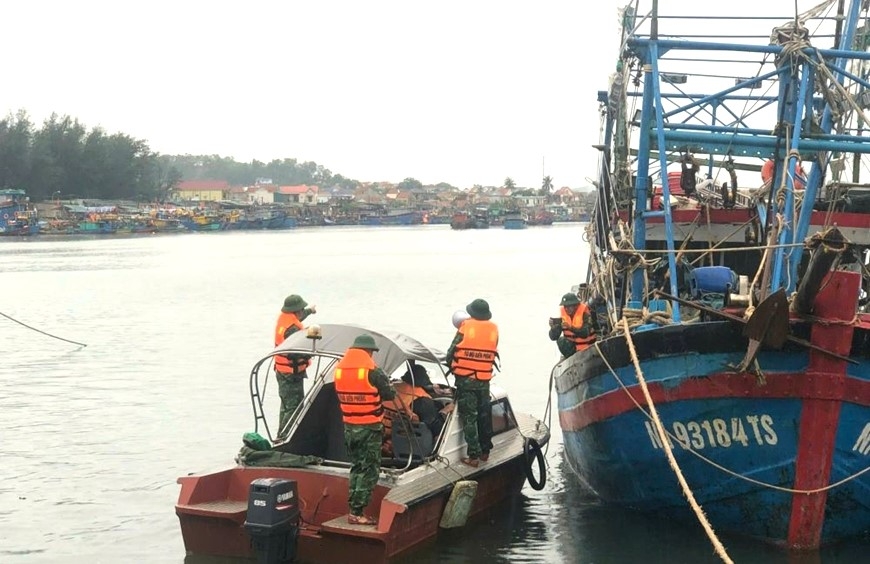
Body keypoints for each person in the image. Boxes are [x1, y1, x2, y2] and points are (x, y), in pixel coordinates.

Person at [334, 333, 396, 526]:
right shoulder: (373, 371)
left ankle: (353, 508)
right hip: (369, 428)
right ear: (369, 351)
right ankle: (357, 513)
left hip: (349, 427)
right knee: (369, 470)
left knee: (357, 467)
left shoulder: (340, 370)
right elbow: (389, 394)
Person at [446, 298, 499, 468]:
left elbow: (451, 352)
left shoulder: (465, 327)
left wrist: (454, 367)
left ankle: (473, 456)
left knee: (469, 418)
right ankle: (485, 452)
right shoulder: (494, 329)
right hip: (484, 380)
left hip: (466, 381)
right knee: (484, 416)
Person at [273, 294, 316, 439]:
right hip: (292, 374)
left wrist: (310, 311)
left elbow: (299, 317)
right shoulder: (292, 329)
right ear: (296, 310)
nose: (302, 311)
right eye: (302, 309)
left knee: (285, 406)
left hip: (281, 370)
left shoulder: (284, 319)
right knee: (294, 407)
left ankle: (281, 435)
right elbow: (296, 353)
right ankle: (287, 438)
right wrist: (311, 353)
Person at [384, 364, 453, 442]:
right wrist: (444, 411)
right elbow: (436, 428)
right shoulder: (422, 400)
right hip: (403, 442)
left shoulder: (389, 388)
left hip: (381, 435)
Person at [549, 292, 596, 358]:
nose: (567, 309)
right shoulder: (563, 317)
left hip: (588, 348)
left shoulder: (585, 314)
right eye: (565, 307)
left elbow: (585, 333)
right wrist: (553, 329)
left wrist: (570, 327)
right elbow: (553, 337)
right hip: (573, 351)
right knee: (561, 341)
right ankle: (570, 357)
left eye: (569, 306)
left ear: (575, 305)